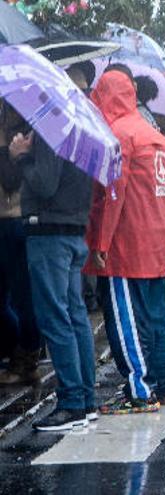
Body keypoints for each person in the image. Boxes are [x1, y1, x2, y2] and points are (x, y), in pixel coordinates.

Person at [87, 70, 165, 414]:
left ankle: (140, 391)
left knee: (125, 320)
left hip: (125, 246)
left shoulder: (118, 135)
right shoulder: (156, 135)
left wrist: (100, 241)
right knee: (157, 319)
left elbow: (113, 194)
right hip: (155, 244)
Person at [14, 67, 96, 431]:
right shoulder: (82, 123)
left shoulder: (51, 124)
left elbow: (44, 184)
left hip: (49, 232)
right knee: (75, 316)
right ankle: (85, 398)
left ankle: (72, 403)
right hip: (74, 229)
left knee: (56, 318)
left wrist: (21, 156)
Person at [0, 100, 40, 385]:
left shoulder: (25, 136)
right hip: (5, 222)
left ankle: (25, 354)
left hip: (16, 222)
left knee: (23, 297)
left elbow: (11, 181)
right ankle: (18, 348)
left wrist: (6, 147)